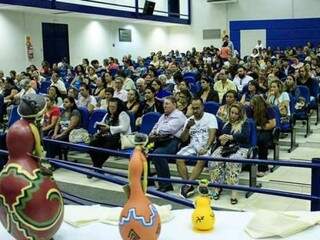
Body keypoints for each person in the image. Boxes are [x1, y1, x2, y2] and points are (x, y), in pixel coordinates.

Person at [176, 98, 217, 198]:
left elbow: (212, 135)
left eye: (197, 108)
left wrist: (206, 147)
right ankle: (188, 184)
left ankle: (188, 185)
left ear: (202, 107)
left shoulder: (210, 117)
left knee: (201, 159)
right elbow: (183, 139)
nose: (195, 111)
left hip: (206, 146)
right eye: (193, 108)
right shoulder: (189, 120)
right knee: (178, 157)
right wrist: (187, 128)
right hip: (192, 146)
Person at [209, 103, 250, 205]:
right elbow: (221, 137)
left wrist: (231, 137)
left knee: (232, 161)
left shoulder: (246, 124)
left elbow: (244, 137)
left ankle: (233, 192)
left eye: (236, 113)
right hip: (226, 148)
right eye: (232, 112)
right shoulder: (226, 124)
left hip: (241, 148)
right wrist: (221, 140)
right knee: (214, 160)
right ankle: (217, 188)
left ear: (240, 114)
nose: (233, 115)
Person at [148, 96, 186, 192]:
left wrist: (156, 133)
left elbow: (169, 129)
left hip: (173, 142)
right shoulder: (163, 116)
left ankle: (166, 184)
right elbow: (155, 127)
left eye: (167, 103)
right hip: (160, 140)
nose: (164, 105)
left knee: (158, 154)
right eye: (164, 103)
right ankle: (148, 179)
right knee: (141, 152)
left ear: (174, 104)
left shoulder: (179, 115)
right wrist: (153, 134)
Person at [88, 98, 131, 171]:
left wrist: (109, 128)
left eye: (113, 107)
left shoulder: (123, 114)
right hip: (107, 137)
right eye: (110, 106)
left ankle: (96, 166)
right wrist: (101, 128)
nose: (111, 109)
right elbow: (103, 123)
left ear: (118, 107)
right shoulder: (107, 114)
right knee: (92, 144)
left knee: (108, 145)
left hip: (121, 139)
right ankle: (97, 166)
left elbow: (124, 128)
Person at [248, 95, 276, 177]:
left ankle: (263, 168)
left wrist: (260, 127)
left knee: (261, 141)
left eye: (253, 106)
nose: (252, 107)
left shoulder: (268, 109)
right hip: (255, 129)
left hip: (267, 130)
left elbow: (272, 124)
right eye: (251, 105)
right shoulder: (250, 109)